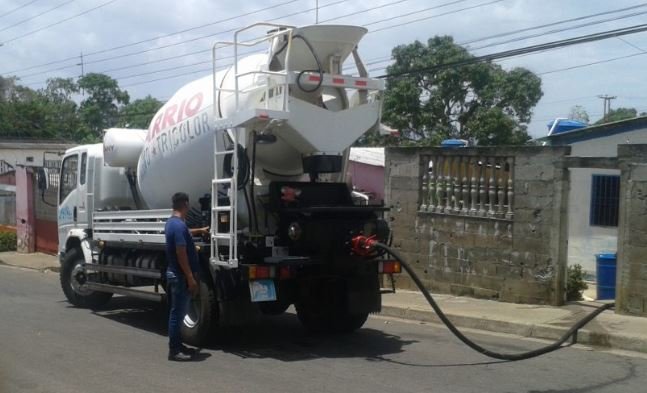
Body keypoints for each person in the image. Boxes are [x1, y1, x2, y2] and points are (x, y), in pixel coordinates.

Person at [165, 192, 209, 361]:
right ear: (185, 205)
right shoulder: (178, 226)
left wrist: (199, 230)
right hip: (180, 276)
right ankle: (174, 350)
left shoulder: (175, 223)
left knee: (178, 312)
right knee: (178, 313)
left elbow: (185, 232)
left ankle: (178, 345)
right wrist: (190, 277)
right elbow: (181, 252)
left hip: (178, 275)